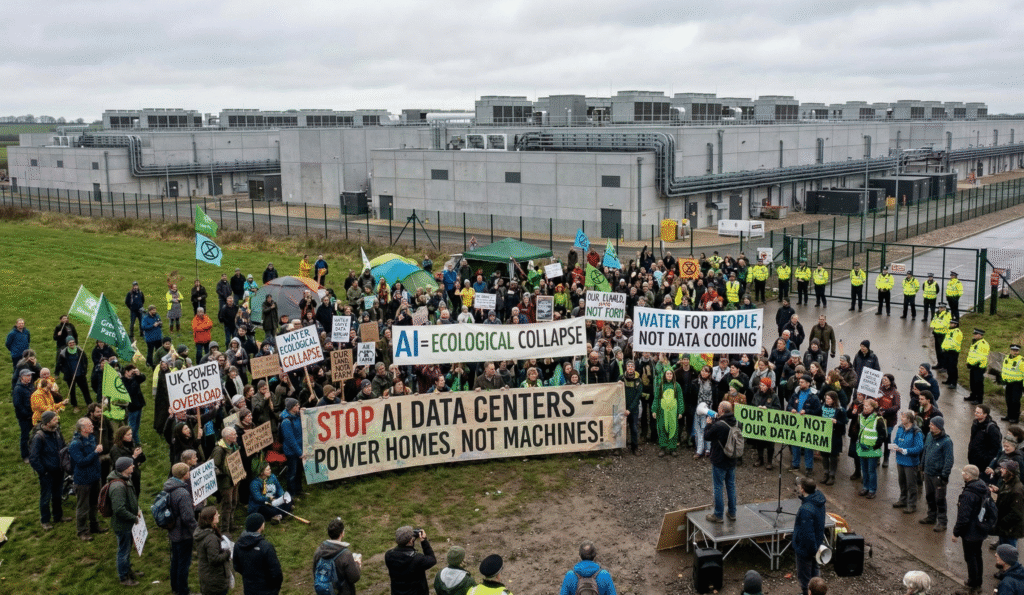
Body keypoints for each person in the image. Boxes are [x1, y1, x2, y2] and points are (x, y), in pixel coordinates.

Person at [953, 464, 990, 594]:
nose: (962, 474)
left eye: (963, 472)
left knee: (970, 557)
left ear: (968, 476)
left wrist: (956, 533)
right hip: (980, 527)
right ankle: (978, 582)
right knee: (978, 555)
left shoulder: (968, 494)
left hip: (970, 531)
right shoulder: (982, 486)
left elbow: (963, 518)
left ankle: (972, 584)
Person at [29, 411, 69, 529]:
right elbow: (33, 457)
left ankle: (58, 516)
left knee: (58, 494)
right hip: (47, 473)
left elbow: (63, 446)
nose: (57, 420)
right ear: (47, 422)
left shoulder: (56, 431)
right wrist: (43, 471)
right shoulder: (38, 437)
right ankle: (45, 520)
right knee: (45, 497)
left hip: (59, 470)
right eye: (54, 419)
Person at [68, 416, 106, 540]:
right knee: (83, 507)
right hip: (83, 480)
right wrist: (95, 452)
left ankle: (94, 525)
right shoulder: (75, 444)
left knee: (94, 503)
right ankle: (82, 531)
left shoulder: (91, 438)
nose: (93, 426)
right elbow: (81, 462)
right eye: (90, 425)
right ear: (83, 429)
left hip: (95, 476)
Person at [107, 456, 143, 586]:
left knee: (126, 550)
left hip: (127, 523)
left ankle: (128, 571)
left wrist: (136, 509)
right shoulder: (117, 487)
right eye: (131, 465)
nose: (133, 466)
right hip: (123, 525)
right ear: (124, 468)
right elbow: (119, 510)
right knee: (123, 551)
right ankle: (124, 577)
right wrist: (134, 518)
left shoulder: (125, 479)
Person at [165, 462, 199, 595]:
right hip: (183, 533)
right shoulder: (183, 493)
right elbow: (188, 518)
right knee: (184, 564)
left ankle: (175, 588)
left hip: (173, 530)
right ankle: (183, 591)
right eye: (188, 471)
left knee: (175, 560)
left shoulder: (168, 487)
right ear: (185, 475)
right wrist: (198, 530)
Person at [704, 401, 738, 523]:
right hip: (732, 459)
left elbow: (707, 436)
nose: (717, 409)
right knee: (731, 486)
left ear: (722, 410)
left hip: (719, 459)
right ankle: (732, 512)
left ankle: (718, 514)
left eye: (718, 407)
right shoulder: (737, 422)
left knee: (718, 487)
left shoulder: (719, 425)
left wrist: (708, 424)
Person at [234, 513, 283, 595]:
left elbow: (237, 566)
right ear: (260, 526)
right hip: (267, 590)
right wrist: (274, 589)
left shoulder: (238, 545)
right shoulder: (265, 546)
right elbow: (276, 572)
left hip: (249, 589)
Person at [793, 476, 826, 595]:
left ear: (802, 490)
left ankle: (807, 592)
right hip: (817, 545)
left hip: (806, 550)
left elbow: (807, 534)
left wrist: (810, 551)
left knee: (805, 578)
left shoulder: (806, 509)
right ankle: (817, 591)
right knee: (815, 571)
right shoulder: (819, 500)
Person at [313, 518, 362, 595]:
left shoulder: (318, 551)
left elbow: (315, 573)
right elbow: (354, 578)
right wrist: (357, 564)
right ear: (342, 533)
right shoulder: (346, 554)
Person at [921, 416, 954, 532]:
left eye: (932, 425)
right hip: (928, 473)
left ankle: (942, 522)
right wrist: (922, 466)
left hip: (938, 476)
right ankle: (931, 516)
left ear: (939, 427)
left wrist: (944, 475)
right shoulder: (929, 436)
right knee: (929, 496)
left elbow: (949, 460)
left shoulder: (946, 442)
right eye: (930, 424)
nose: (930, 426)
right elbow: (925, 451)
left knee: (939, 499)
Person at [384, 526, 436, 595]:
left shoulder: (389, 555)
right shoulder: (417, 559)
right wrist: (424, 541)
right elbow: (432, 559)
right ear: (411, 541)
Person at [194, 506, 233, 595]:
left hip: (207, 576)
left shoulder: (202, 532)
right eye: (216, 514)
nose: (218, 515)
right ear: (211, 518)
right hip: (215, 579)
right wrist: (227, 553)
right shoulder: (211, 538)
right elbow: (214, 559)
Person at [893, 410, 925, 513]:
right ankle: (902, 500)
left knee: (911, 484)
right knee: (902, 482)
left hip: (910, 462)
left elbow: (919, 448)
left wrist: (905, 450)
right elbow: (896, 440)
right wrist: (894, 446)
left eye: (903, 417)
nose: (901, 419)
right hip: (900, 460)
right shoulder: (900, 428)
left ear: (909, 419)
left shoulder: (917, 432)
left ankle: (912, 505)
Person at [211, 427, 241, 533]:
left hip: (235, 479)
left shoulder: (234, 446)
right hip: (226, 482)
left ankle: (231, 524)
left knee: (234, 502)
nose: (236, 436)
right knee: (227, 505)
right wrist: (226, 474)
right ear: (227, 437)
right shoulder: (219, 450)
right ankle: (225, 530)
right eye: (234, 434)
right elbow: (214, 466)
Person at [856, 398, 886, 498]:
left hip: (872, 449)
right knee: (864, 470)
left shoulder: (878, 419)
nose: (865, 408)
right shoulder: (860, 416)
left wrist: (876, 446)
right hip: (863, 447)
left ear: (873, 407)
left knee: (871, 471)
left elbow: (882, 434)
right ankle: (865, 488)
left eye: (867, 406)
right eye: (864, 406)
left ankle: (872, 490)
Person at [994, 461, 1024, 550]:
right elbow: (1007, 497)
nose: (1001, 470)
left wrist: (1002, 522)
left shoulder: (1017, 490)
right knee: (1003, 553)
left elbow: (1016, 513)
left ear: (1010, 473)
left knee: (1009, 555)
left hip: (1011, 530)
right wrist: (998, 491)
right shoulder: (1007, 483)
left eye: (1004, 469)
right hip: (1005, 528)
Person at [654, 368, 683, 457]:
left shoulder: (676, 386)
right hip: (662, 412)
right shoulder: (661, 385)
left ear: (673, 375)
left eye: (671, 374)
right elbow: (656, 398)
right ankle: (663, 448)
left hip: (673, 413)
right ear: (665, 375)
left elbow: (680, 399)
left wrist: (680, 411)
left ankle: (672, 448)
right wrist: (654, 410)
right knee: (662, 429)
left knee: (673, 429)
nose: (669, 375)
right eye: (667, 374)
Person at [281, 398, 304, 497]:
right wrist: (300, 453)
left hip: (299, 450)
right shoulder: (286, 422)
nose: (298, 406)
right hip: (292, 452)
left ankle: (299, 490)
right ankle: (291, 494)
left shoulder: (297, 416)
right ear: (291, 408)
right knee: (292, 474)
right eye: (296, 405)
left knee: (299, 472)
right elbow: (291, 440)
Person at [969, 404, 1002, 472]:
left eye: (978, 412)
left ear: (985, 414)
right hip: (973, 458)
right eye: (975, 412)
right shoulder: (975, 423)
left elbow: (995, 447)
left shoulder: (992, 428)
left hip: (983, 463)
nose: (975, 414)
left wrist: (985, 459)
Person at [14, 368, 36, 462]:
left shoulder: (31, 386)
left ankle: (34, 451)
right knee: (25, 436)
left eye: (30, 375)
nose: (29, 377)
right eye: (27, 375)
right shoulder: (18, 389)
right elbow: (18, 404)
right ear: (21, 377)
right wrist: (27, 414)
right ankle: (25, 455)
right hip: (24, 417)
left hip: (33, 414)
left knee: (35, 434)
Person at [966, 329, 990, 403]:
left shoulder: (983, 344)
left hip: (979, 366)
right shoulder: (975, 342)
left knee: (978, 383)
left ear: (980, 335)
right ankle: (973, 396)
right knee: (972, 382)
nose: (974, 335)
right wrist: (968, 362)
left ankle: (979, 399)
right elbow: (972, 354)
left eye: (975, 334)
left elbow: (982, 356)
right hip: (973, 365)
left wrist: (973, 363)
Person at [1003, 344, 1024, 423]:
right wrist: (1003, 379)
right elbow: (1004, 369)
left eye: (1016, 351)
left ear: (1018, 351)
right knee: (1008, 400)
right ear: (1010, 350)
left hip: (1017, 383)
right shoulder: (1007, 358)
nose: (1015, 352)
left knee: (1015, 401)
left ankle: (1015, 418)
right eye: (1013, 350)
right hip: (1008, 382)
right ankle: (1009, 416)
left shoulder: (1021, 361)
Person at [941, 320, 964, 388]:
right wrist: (943, 347)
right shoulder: (950, 331)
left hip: (953, 351)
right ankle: (949, 380)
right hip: (947, 351)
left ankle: (954, 383)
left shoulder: (957, 332)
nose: (950, 324)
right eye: (950, 323)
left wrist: (946, 347)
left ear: (956, 324)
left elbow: (954, 342)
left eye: (952, 323)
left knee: (952, 367)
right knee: (948, 367)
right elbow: (946, 340)